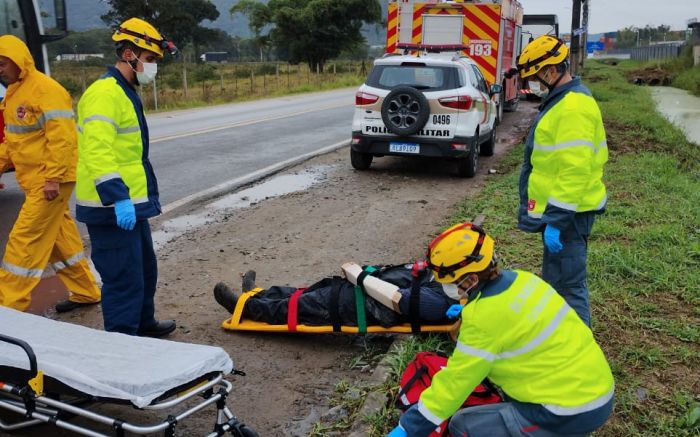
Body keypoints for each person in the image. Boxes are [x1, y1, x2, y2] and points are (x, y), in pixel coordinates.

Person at [389, 222, 615, 437]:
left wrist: (407, 429)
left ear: (471, 280)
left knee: (462, 425)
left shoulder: (483, 321)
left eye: (449, 282)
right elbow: (512, 316)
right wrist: (466, 309)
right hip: (597, 391)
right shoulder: (525, 280)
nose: (445, 287)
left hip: (567, 413)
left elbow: (453, 385)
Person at [75, 18, 178, 337]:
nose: (153, 68)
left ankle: (143, 325)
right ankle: (123, 343)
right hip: (111, 208)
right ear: (130, 54)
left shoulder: (124, 91)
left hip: (131, 205)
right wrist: (118, 196)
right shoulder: (105, 93)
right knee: (123, 279)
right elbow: (97, 151)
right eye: (150, 60)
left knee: (145, 271)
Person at [0, 35, 101, 312]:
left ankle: (8, 307)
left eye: (2, 63)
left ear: (19, 60)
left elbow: (63, 140)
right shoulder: (13, 93)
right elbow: (14, 141)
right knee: (61, 241)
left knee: (25, 241)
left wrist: (53, 178)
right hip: (36, 180)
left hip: (51, 180)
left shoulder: (46, 90)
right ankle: (86, 291)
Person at [516, 35, 608, 326]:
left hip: (568, 216)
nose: (534, 84)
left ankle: (581, 352)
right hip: (563, 214)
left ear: (550, 71)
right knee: (558, 283)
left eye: (535, 77)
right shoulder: (563, 101)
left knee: (569, 287)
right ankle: (560, 340)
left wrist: (556, 220)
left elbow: (574, 171)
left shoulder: (572, 109)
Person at [213, 263, 461, 328]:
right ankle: (259, 294)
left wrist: (360, 277)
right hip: (363, 291)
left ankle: (244, 308)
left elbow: (395, 298)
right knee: (308, 291)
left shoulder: (439, 301)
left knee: (303, 304)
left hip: (360, 306)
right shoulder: (443, 281)